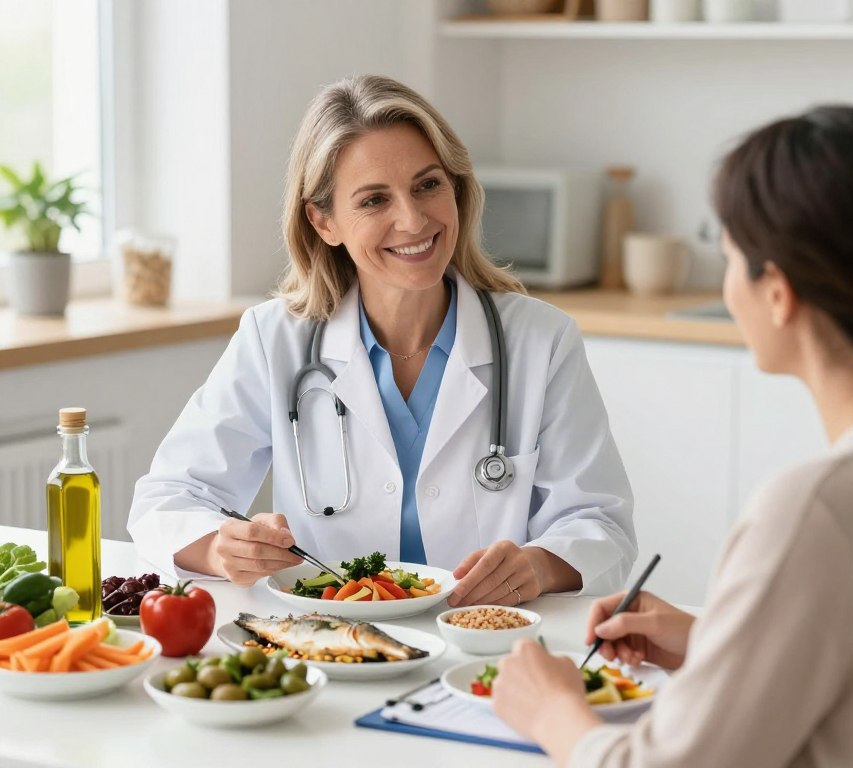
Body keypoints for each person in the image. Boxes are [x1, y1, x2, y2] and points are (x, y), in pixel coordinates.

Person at [492, 105, 853, 766]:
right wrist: (719, 640)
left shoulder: (818, 511)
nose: (726, 283)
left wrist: (552, 711)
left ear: (779, 292)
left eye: (732, 256)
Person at [127, 74, 636, 604]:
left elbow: (601, 522)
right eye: (374, 200)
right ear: (324, 222)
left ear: (457, 190)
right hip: (329, 646)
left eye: (428, 185)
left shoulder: (541, 341)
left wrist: (539, 565)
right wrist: (219, 548)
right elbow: (167, 498)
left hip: (482, 648)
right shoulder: (274, 340)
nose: (413, 219)